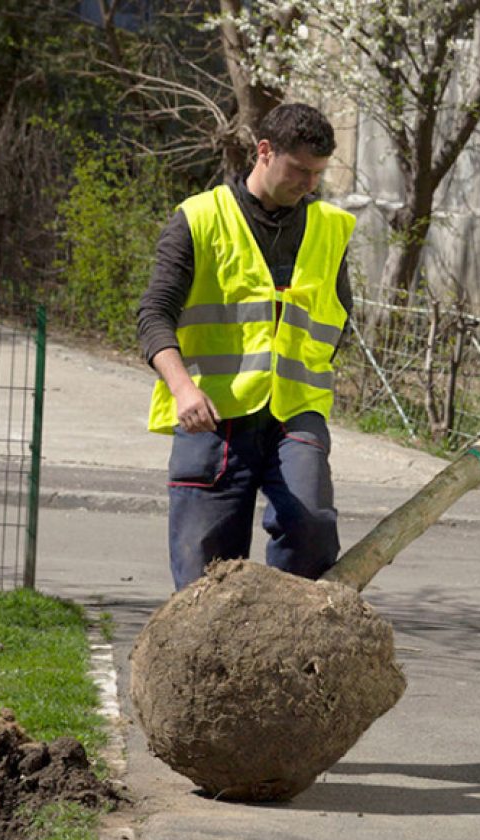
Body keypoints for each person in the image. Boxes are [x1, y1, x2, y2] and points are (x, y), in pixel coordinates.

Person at [137, 102, 356, 591]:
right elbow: (153, 315)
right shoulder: (198, 218)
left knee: (311, 530)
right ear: (264, 151)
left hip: (295, 412)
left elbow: (338, 316)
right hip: (212, 417)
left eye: (318, 174)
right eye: (300, 170)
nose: (310, 184)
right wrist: (183, 389)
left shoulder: (330, 228)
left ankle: (286, 641)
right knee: (203, 579)